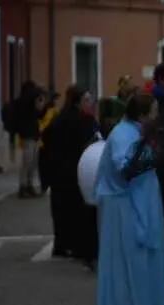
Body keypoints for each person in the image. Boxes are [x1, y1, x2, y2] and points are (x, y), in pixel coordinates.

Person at [93, 92, 164, 305]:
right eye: (154, 111)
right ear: (142, 114)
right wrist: (146, 150)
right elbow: (124, 168)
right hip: (125, 210)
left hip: (141, 205)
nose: (157, 116)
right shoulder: (122, 134)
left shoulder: (137, 132)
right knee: (129, 265)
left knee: (144, 264)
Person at [42, 85, 101, 266]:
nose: (90, 103)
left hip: (63, 170)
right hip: (71, 171)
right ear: (77, 102)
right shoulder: (78, 120)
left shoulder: (62, 118)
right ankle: (74, 246)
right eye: (87, 100)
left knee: (64, 210)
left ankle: (64, 244)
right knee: (73, 209)